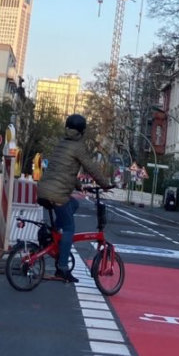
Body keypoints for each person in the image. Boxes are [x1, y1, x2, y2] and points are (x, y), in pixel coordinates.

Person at [36, 113, 112, 283]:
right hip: (57, 194)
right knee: (70, 228)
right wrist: (105, 184)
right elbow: (91, 167)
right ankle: (62, 268)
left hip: (43, 190)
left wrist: (79, 186)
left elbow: (63, 171)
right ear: (82, 131)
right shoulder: (78, 147)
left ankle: (52, 235)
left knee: (74, 204)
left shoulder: (61, 144)